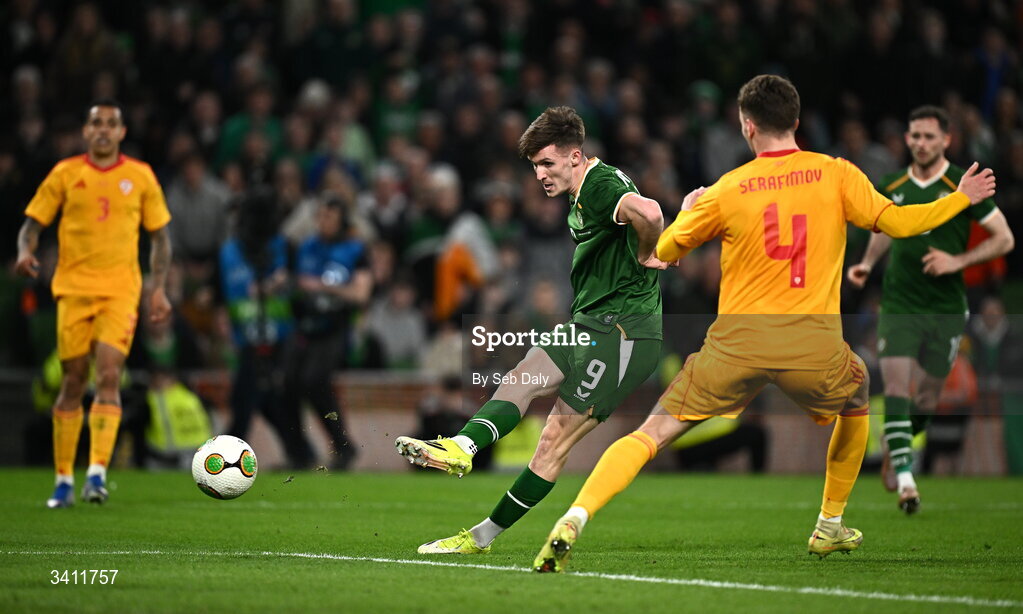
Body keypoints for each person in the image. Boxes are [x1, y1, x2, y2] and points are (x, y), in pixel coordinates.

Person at [532, 75, 997, 572]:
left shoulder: (728, 188)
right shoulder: (835, 173)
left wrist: (689, 210)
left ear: (747, 126)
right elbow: (904, 224)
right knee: (858, 395)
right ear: (796, 122)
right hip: (813, 348)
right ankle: (829, 524)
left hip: (735, 349)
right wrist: (961, 198)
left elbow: (663, 251)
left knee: (652, 434)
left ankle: (576, 517)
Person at [394, 106, 669, 554]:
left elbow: (652, 212)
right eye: (535, 166)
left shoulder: (600, 186)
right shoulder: (583, 189)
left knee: (552, 441)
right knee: (520, 379)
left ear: (575, 156)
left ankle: (480, 537)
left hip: (624, 334)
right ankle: (462, 447)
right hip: (589, 323)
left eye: (547, 163)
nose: (540, 174)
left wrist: (647, 251)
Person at [846, 105, 1013, 514]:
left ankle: (897, 446)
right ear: (907, 139)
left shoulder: (962, 184)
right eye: (914, 136)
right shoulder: (893, 183)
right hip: (900, 302)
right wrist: (868, 263)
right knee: (899, 389)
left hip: (945, 305)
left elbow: (1004, 239)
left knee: (927, 396)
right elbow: (886, 228)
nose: (921, 143)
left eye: (929, 136)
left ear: (946, 140)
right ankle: (906, 479)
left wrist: (958, 262)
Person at [14, 99, 173, 508]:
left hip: (120, 291)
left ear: (122, 132)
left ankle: (97, 475)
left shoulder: (140, 176)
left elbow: (160, 238)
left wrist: (157, 289)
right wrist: (24, 251)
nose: (103, 130)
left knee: (107, 375)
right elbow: (32, 225)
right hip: (73, 290)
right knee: (72, 380)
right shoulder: (66, 173)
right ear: (86, 132)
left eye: (111, 124)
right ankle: (64, 479)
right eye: (96, 123)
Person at [283, 196, 372, 469]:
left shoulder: (356, 250)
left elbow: (360, 294)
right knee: (286, 384)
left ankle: (343, 446)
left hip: (335, 328)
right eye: (320, 216)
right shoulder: (306, 247)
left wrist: (322, 287)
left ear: (342, 220)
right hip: (303, 326)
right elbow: (296, 283)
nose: (323, 222)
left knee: (314, 381)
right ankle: (300, 454)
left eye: (329, 217)